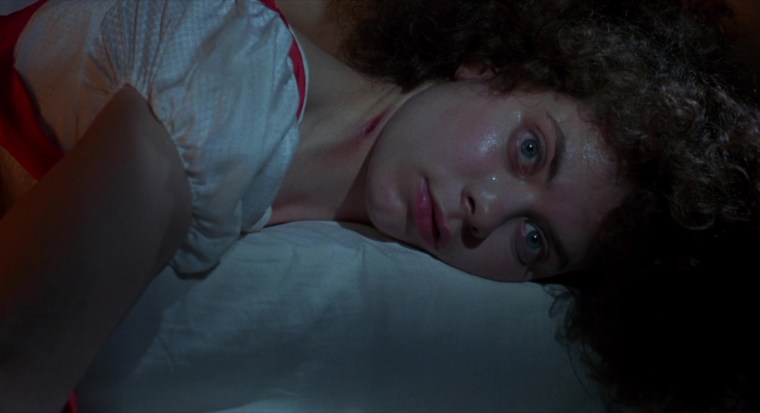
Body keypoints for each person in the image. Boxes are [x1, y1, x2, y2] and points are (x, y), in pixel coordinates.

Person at [1, 0, 757, 412]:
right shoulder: (231, 89)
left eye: (535, 241)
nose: (486, 209)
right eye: (529, 149)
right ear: (491, 67)